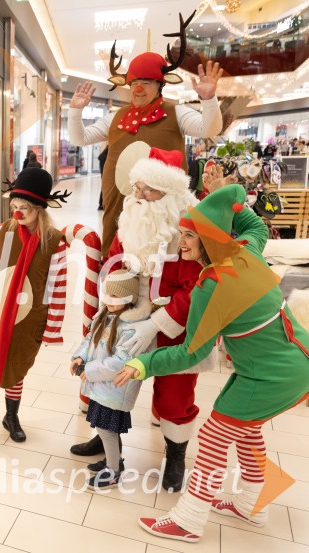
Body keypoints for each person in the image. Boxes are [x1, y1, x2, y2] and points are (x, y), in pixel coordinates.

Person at [115, 184, 309, 543]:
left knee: (214, 435)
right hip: (296, 363)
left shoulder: (211, 286)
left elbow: (189, 353)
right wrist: (228, 200)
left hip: (270, 376)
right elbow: (256, 226)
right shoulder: (246, 252)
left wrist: (143, 364)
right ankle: (252, 504)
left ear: (209, 239)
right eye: (181, 234)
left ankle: (188, 520)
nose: (181, 243)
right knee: (246, 429)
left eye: (189, 236)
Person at [70, 147, 205, 493]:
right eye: (138, 187)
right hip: (125, 318)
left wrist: (156, 325)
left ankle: (175, 456)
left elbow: (197, 287)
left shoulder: (189, 231)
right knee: (108, 382)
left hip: (173, 325)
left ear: (171, 193)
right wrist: (110, 298)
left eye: (149, 190)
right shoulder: (130, 219)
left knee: (174, 395)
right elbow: (113, 261)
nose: (139, 196)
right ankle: (106, 439)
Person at [68, 34, 223, 256]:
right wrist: (75, 112)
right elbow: (80, 139)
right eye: (134, 83)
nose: (138, 89)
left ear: (160, 85)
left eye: (146, 82)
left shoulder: (175, 112)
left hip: (162, 209)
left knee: (163, 261)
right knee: (118, 265)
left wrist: (209, 100)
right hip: (119, 205)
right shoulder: (116, 116)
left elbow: (209, 129)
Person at [0, 167, 71, 442]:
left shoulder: (54, 241)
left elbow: (57, 286)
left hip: (27, 314)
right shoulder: (4, 229)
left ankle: (10, 416)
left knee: (16, 365)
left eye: (24, 207)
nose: (17, 212)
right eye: (14, 206)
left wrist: (53, 327)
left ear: (40, 207)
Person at [71, 270, 149, 488]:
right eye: (107, 295)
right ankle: (113, 460)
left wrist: (91, 370)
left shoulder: (132, 327)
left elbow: (120, 362)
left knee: (107, 431)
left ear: (128, 298)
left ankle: (113, 472)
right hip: (102, 387)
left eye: (115, 297)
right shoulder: (104, 315)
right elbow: (90, 339)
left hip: (115, 389)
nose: (108, 301)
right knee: (105, 429)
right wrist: (80, 356)